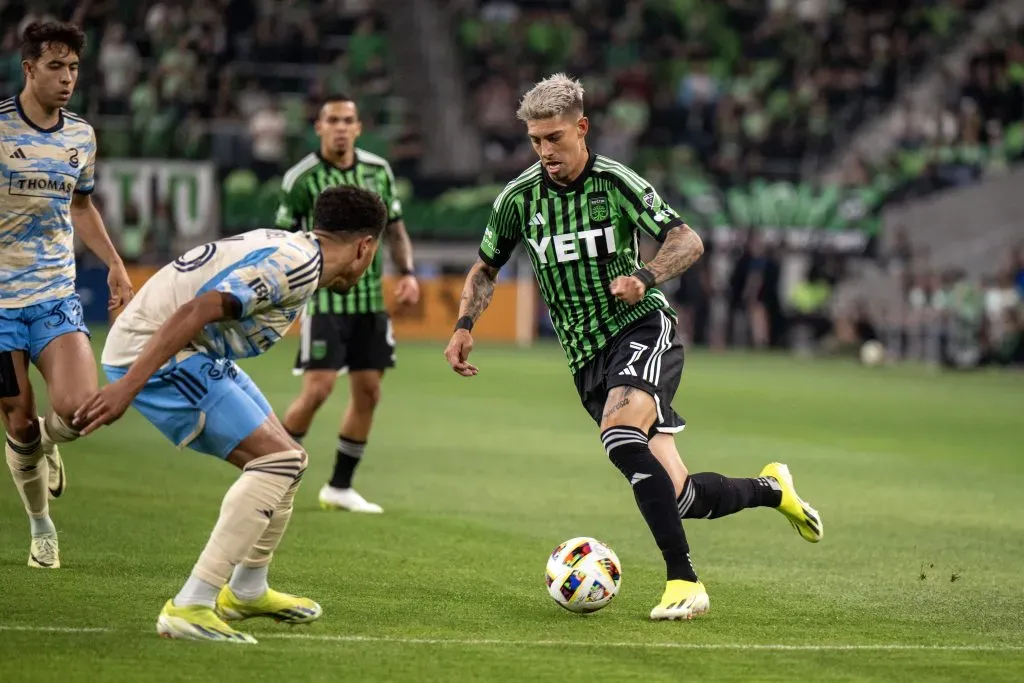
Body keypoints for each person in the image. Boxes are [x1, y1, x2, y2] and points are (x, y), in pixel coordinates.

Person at [444, 74, 823, 621]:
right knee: (681, 496)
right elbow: (485, 267)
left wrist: (644, 276)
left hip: (641, 329)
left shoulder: (616, 182)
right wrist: (463, 324)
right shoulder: (518, 199)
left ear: (582, 128)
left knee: (620, 437)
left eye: (554, 138)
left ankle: (683, 582)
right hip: (586, 360)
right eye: (535, 141)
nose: (545, 151)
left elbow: (687, 239)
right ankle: (772, 489)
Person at [73, 186, 388, 643]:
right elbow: (198, 308)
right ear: (366, 247)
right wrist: (127, 386)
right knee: (275, 462)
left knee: (290, 461)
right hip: (160, 354)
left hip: (189, 349)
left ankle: (246, 589)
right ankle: (191, 605)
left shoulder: (294, 248)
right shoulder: (295, 266)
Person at [1, 21, 134, 570]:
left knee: (81, 410)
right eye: (56, 66)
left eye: (74, 67)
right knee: (19, 423)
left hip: (54, 295)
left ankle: (53, 445)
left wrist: (116, 265)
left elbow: (81, 206)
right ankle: (41, 529)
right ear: (29, 68)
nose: (68, 78)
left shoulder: (81, 136)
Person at [276, 94, 419, 514]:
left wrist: (408, 272)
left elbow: (395, 228)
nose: (341, 127)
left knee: (369, 392)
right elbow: (284, 239)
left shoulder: (379, 171)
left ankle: (339, 486)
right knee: (318, 389)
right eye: (333, 120)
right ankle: (271, 470)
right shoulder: (301, 179)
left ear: (358, 128)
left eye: (348, 120)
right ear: (319, 127)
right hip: (323, 303)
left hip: (370, 301)